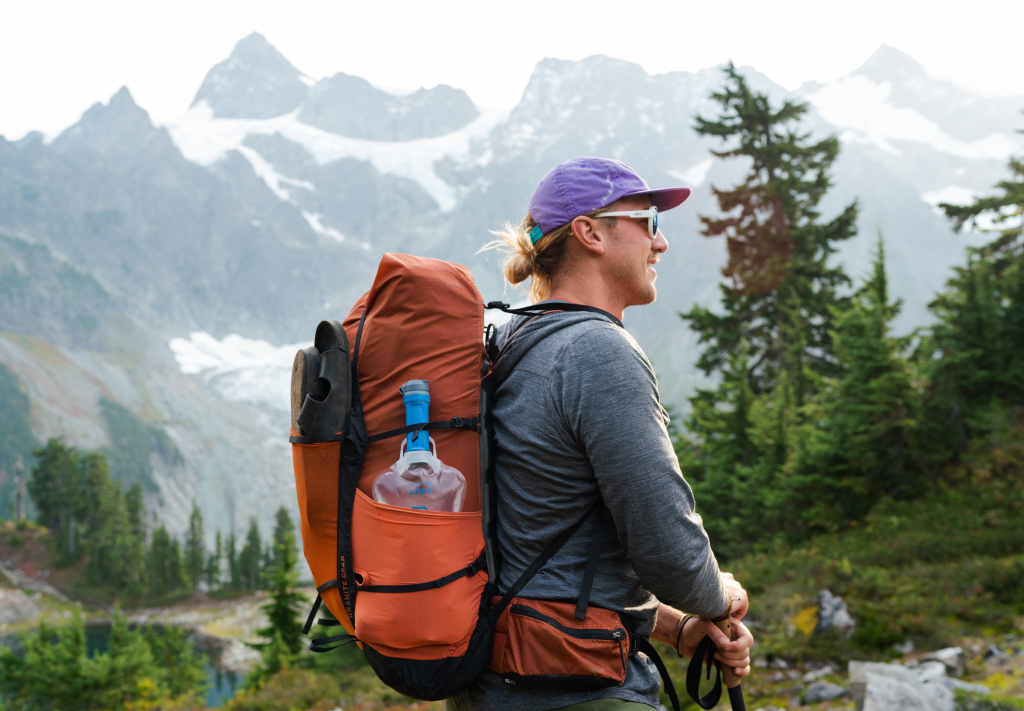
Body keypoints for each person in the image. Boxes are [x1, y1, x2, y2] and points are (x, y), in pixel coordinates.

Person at [448, 157, 754, 711]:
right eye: (649, 222)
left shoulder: (508, 343)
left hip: (492, 686)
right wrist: (720, 597)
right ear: (590, 232)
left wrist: (678, 629)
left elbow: (543, 550)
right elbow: (671, 554)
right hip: (577, 691)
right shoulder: (597, 352)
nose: (660, 244)